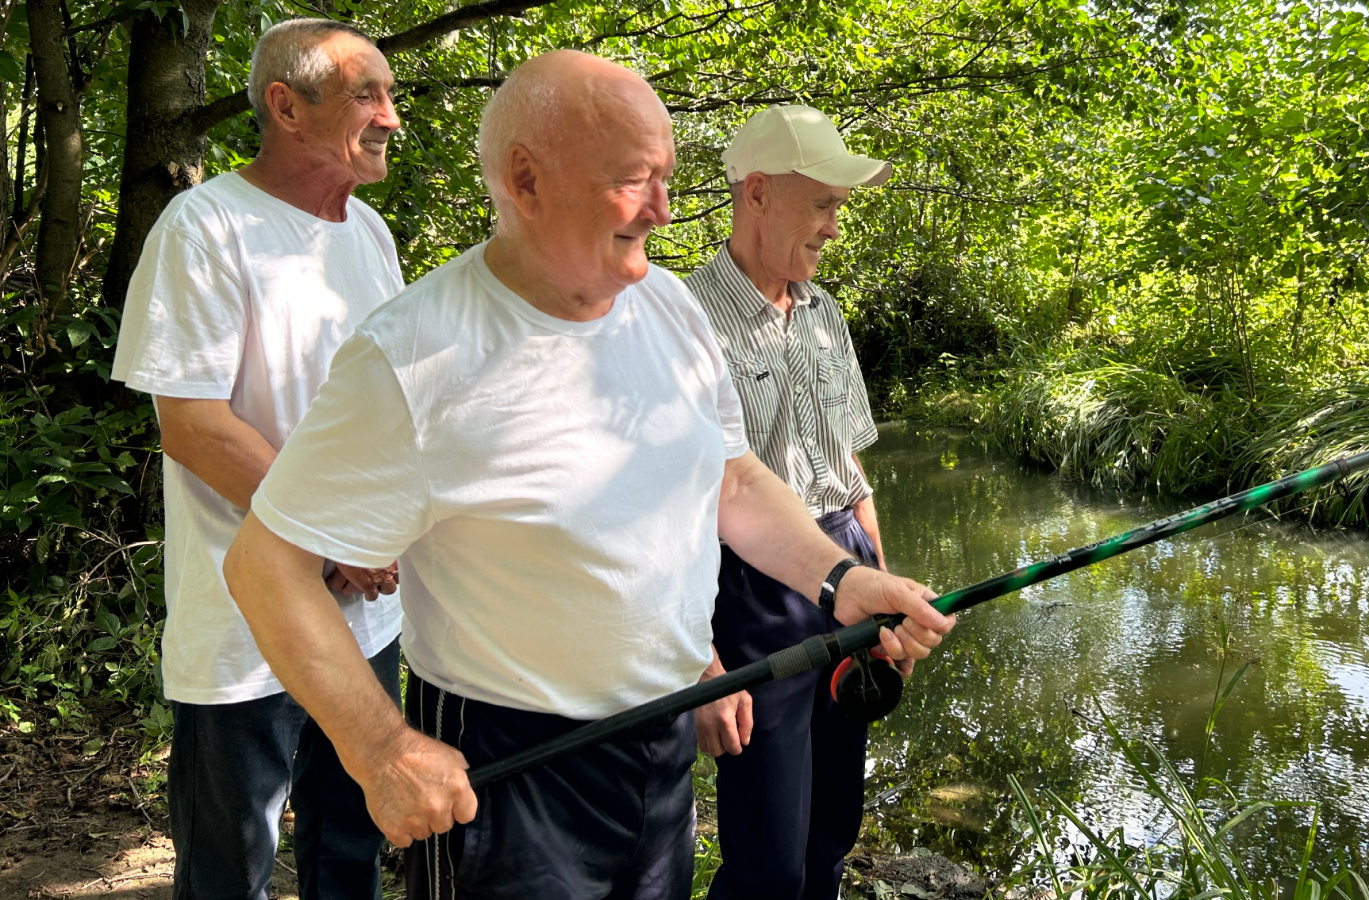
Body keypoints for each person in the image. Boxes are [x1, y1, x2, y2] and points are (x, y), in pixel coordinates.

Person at [220, 49, 955, 900]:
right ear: (525, 180)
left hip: (659, 747)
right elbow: (265, 567)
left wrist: (842, 579)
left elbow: (734, 481)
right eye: (635, 179)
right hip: (511, 767)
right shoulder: (411, 356)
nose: (663, 209)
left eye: (668, 178)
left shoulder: (670, 308)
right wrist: (381, 748)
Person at [109, 18, 404, 900]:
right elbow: (193, 425)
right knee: (229, 868)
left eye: (390, 93)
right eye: (367, 94)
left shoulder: (370, 234)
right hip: (245, 629)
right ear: (286, 105)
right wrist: (331, 537)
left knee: (349, 851)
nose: (393, 115)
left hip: (367, 622)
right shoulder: (205, 227)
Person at [682, 104, 894, 900]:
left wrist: (881, 588)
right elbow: (670, 512)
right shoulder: (687, 320)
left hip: (845, 566)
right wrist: (700, 661)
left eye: (838, 207)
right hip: (747, 585)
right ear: (759, 193)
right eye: (824, 204)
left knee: (833, 821)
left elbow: (851, 467)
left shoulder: (823, 312)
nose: (835, 228)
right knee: (766, 845)